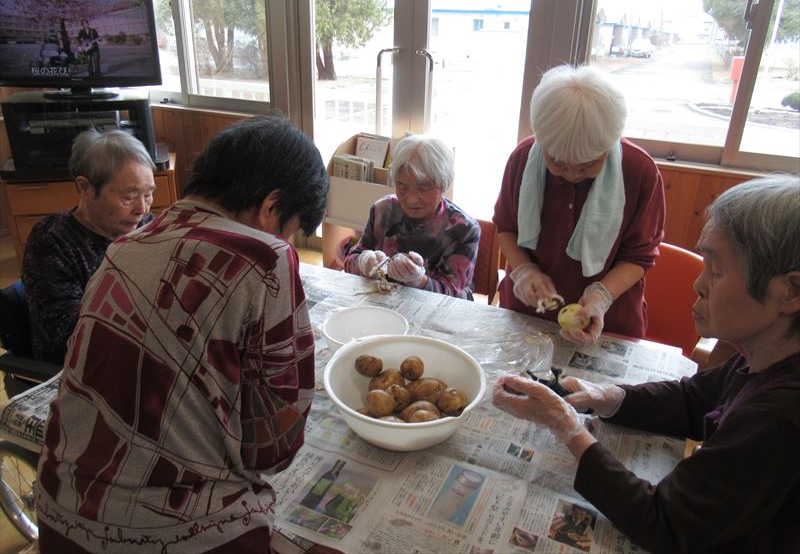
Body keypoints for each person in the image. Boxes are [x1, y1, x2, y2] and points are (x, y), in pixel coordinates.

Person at [36, 116, 329, 552]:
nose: (288, 238)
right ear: (271, 207)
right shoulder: (266, 258)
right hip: (176, 536)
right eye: (291, 226)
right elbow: (272, 451)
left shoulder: (123, 245)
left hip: (59, 521)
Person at [492, 174, 800, 553]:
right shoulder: (766, 355)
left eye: (717, 272)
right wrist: (604, 395)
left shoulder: (780, 418)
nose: (698, 285)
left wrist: (568, 427)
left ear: (790, 293)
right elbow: (692, 398)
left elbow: (664, 523)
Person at [493, 64, 664, 343]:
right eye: (557, 163)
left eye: (586, 166)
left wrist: (601, 295)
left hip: (608, 320)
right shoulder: (523, 159)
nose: (572, 174)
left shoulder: (638, 171)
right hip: (528, 311)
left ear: (608, 145)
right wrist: (523, 271)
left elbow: (639, 255)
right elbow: (506, 226)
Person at [22, 129, 156, 365]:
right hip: (78, 364)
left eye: (148, 195)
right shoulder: (51, 240)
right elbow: (63, 331)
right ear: (85, 187)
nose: (142, 209)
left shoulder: (146, 223)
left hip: (141, 344)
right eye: (129, 196)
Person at [344, 134, 480, 299]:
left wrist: (419, 280)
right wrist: (363, 262)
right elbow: (350, 260)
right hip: (384, 307)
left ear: (444, 184)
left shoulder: (464, 230)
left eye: (423, 188)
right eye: (402, 186)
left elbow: (454, 295)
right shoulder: (383, 210)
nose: (411, 199)